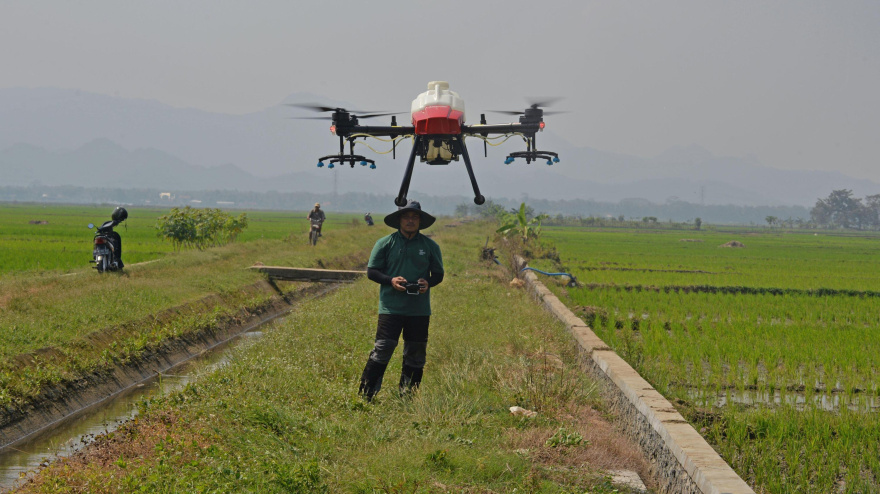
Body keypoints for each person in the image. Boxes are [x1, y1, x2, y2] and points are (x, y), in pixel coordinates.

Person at [359, 200, 444, 401]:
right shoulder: (385, 243)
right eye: (406, 217)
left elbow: (438, 274)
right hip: (390, 307)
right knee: (383, 348)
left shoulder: (430, 246)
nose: (410, 220)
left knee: (416, 353)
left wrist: (427, 283)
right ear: (399, 220)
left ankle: (407, 397)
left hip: (419, 310)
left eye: (415, 217)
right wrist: (391, 280)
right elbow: (372, 272)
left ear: (420, 221)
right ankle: (366, 395)